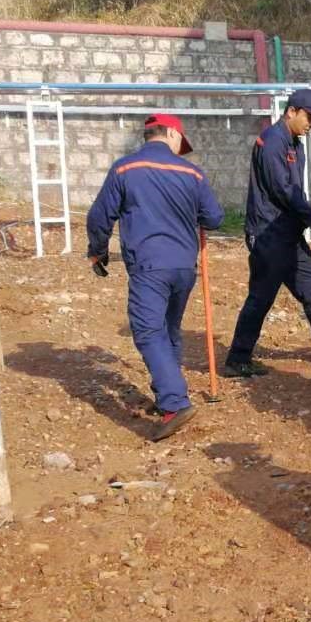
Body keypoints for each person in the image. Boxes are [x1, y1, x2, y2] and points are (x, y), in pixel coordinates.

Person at [86, 114, 223, 441]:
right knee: (168, 329)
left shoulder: (125, 168)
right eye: (180, 143)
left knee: (148, 330)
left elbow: (100, 216)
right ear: (172, 134)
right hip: (184, 268)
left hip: (149, 266)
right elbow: (214, 218)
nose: (180, 149)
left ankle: (175, 403)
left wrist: (97, 251)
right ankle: (168, 394)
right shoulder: (192, 173)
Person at [224, 88, 311, 378]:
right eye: (309, 117)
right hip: (268, 235)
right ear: (291, 111)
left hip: (289, 233)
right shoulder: (272, 141)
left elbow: (295, 190)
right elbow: (283, 190)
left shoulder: (295, 143)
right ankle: (238, 358)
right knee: (261, 297)